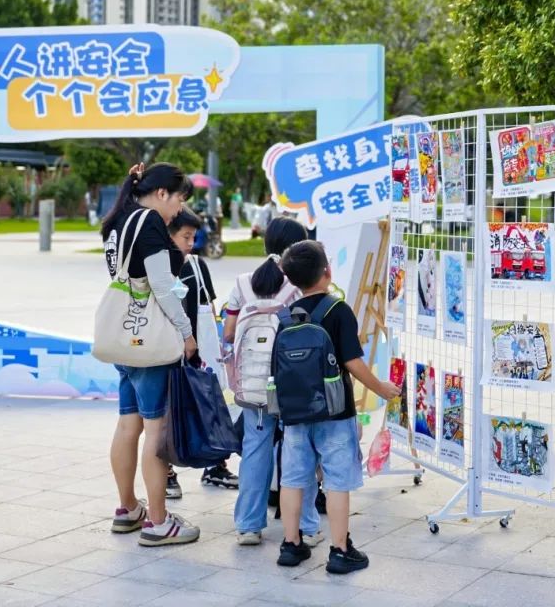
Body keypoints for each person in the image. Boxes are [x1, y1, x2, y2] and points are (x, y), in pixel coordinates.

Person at [275, 239, 400, 574]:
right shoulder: (338, 310)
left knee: (293, 478)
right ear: (327, 271)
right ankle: (340, 550)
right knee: (336, 481)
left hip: (295, 413)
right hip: (334, 411)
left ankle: (291, 545)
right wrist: (381, 388)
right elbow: (353, 362)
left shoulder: (286, 317)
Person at [101, 162, 200, 547]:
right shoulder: (150, 222)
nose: (178, 209)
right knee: (156, 431)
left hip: (123, 338)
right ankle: (158, 521)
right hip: (150, 343)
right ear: (161, 193)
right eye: (178, 199)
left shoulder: (117, 220)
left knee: (129, 425)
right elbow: (161, 285)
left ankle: (128, 508)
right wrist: (187, 332)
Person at [223, 217, 322, 546]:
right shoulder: (300, 285)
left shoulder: (242, 283)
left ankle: (248, 526)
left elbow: (228, 334)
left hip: (252, 385)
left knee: (255, 448)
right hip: (291, 384)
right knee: (299, 449)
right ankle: (307, 526)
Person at [167, 208, 238, 492]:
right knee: (170, 413)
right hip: (170, 352)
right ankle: (166, 472)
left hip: (201, 354)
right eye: (185, 236)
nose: (190, 243)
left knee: (211, 406)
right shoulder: (158, 269)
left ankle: (215, 465)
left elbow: (209, 308)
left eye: (193, 237)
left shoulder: (197, 265)